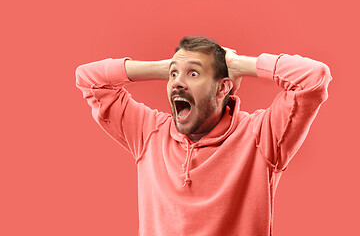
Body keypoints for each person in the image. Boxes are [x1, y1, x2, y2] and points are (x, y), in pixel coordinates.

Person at [75, 36, 332, 236]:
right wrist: (166, 67)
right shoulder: (149, 132)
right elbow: (89, 79)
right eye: (173, 75)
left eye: (194, 73)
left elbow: (312, 78)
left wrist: (238, 64)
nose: (177, 82)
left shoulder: (260, 136)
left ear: (222, 88)